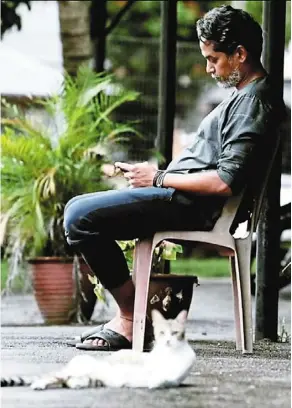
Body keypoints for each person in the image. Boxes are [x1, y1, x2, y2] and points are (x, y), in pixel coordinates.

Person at [64, 5, 285, 351]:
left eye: (214, 59)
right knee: (77, 208)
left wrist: (158, 178)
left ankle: (130, 318)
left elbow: (225, 182)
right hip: (179, 196)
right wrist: (153, 175)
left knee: (79, 217)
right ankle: (138, 315)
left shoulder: (253, 103)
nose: (209, 69)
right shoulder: (244, 97)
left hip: (192, 206)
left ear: (240, 54)